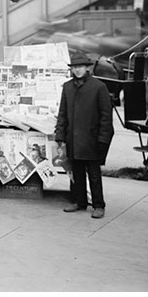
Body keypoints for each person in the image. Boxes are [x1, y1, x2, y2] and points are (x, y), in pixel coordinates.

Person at [54, 49, 113, 219]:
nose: (77, 70)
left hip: (92, 139)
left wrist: (103, 139)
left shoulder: (99, 87)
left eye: (81, 67)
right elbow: (62, 113)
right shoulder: (67, 87)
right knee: (76, 173)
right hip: (73, 138)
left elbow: (105, 117)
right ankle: (78, 201)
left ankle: (98, 205)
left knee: (94, 174)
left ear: (88, 68)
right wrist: (60, 136)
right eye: (74, 67)